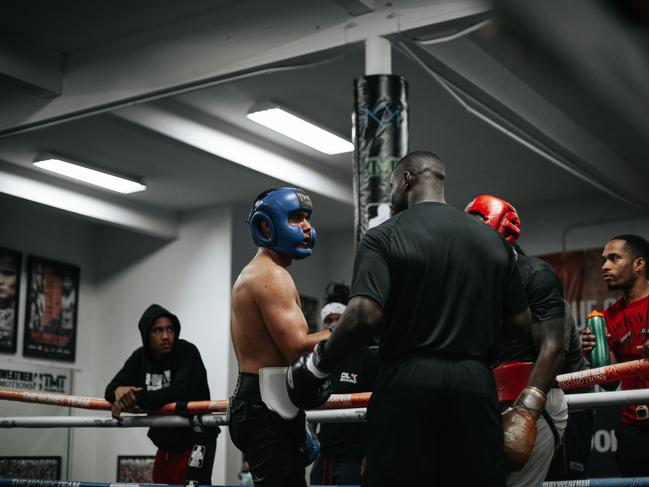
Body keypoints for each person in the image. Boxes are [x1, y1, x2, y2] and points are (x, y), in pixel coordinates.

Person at [287, 151, 531, 486]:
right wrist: (474, 346)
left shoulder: (384, 235)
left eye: (391, 187)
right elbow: (521, 326)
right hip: (475, 385)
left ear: (406, 180)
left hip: (408, 382)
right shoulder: (494, 242)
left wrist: (319, 364)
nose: (390, 196)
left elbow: (363, 314)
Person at [228, 187, 331, 487]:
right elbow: (297, 348)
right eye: (297, 218)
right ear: (266, 225)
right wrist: (349, 329)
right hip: (265, 407)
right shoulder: (270, 275)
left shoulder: (261, 272)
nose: (307, 227)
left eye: (307, 218)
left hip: (265, 402)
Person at [466, 195, 571, 486]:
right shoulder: (471, 283)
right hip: (485, 400)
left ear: (504, 234)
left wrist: (527, 412)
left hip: (531, 397)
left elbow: (552, 347)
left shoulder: (535, 275)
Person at [105, 304, 218, 485]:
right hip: (165, 445)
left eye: (170, 329)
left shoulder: (187, 351)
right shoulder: (140, 358)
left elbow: (181, 390)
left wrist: (137, 398)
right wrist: (119, 391)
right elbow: (111, 389)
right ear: (146, 335)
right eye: (158, 331)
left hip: (196, 439)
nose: (166, 336)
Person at [582, 234, 649, 476]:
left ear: (639, 264)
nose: (604, 266)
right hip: (633, 427)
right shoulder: (607, 318)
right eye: (603, 260)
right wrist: (594, 355)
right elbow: (610, 385)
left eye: (614, 258)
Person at [309, 282, 379, 486]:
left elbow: (378, 411)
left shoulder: (367, 358)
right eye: (328, 320)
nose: (334, 324)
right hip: (323, 457)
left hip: (353, 460)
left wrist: (370, 455)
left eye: (339, 319)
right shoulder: (319, 360)